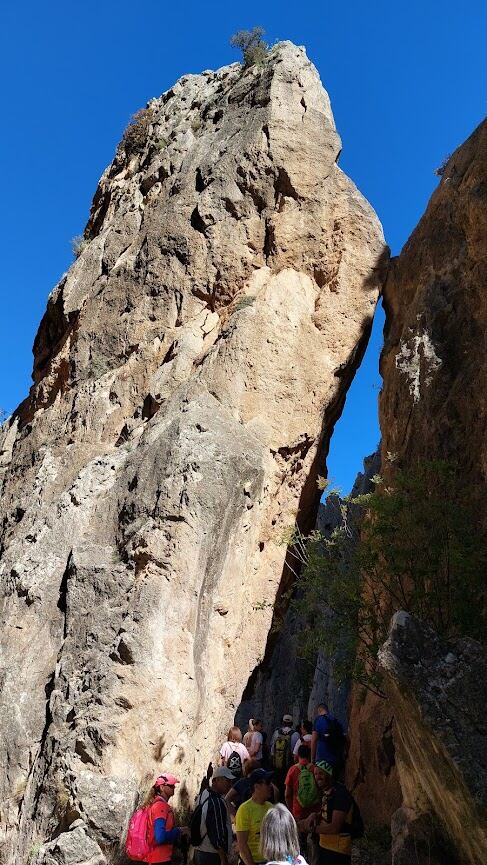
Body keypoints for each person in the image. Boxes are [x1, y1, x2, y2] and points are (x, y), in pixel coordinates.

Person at [302, 761, 353, 865]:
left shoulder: (340, 793)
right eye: (315, 774)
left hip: (337, 850)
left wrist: (311, 829)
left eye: (321, 773)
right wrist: (315, 815)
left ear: (329, 774)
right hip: (325, 846)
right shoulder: (327, 791)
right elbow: (328, 814)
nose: (317, 777)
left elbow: (335, 827)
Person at [143, 773, 189, 864]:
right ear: (162, 787)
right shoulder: (160, 806)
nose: (174, 787)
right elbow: (160, 837)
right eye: (171, 785)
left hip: (156, 858)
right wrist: (179, 831)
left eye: (174, 785)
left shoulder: (157, 804)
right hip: (159, 859)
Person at [194, 767, 235, 865]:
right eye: (227, 780)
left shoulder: (203, 795)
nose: (230, 784)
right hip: (212, 854)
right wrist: (223, 858)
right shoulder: (216, 801)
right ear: (216, 780)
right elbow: (216, 832)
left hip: (200, 850)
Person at [235, 768, 274, 865]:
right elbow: (242, 845)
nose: (271, 786)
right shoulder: (244, 810)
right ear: (256, 787)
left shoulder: (271, 807)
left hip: (270, 861)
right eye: (268, 783)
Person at [285, 745, 320, 822]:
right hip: (315, 811)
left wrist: (291, 810)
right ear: (309, 755)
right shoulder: (315, 769)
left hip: (298, 811)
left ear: (298, 755)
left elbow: (287, 794)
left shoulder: (292, 770)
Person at [310, 705, 344, 773]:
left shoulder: (318, 720)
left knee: (323, 781)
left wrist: (312, 759)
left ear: (319, 711)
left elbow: (314, 741)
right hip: (336, 759)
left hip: (322, 761)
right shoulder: (336, 721)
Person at [270, 715, 294, 792]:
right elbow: (294, 751)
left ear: (283, 723)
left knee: (277, 782)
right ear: (292, 723)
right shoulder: (295, 734)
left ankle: (277, 798)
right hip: (289, 764)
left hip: (277, 762)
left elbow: (272, 747)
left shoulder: (276, 732)